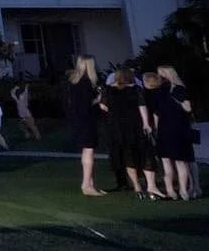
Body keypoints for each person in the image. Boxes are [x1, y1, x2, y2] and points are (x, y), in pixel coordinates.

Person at [101, 68, 154, 196]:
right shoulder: (135, 89)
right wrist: (146, 123)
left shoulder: (108, 90)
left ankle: (136, 185)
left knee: (126, 156)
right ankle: (148, 183)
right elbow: (142, 106)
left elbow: (103, 106)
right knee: (140, 153)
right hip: (134, 124)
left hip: (116, 126)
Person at [144, 70, 195, 200]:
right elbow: (188, 108)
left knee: (166, 162)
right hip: (179, 127)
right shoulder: (179, 89)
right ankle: (183, 190)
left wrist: (155, 129)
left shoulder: (157, 93)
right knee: (181, 162)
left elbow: (156, 113)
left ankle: (170, 190)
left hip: (164, 128)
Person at [62, 56, 104, 196]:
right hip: (86, 120)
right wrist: (97, 100)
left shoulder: (72, 81)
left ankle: (89, 183)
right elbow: (86, 105)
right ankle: (86, 185)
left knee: (86, 151)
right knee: (89, 151)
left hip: (77, 120)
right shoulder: (85, 82)